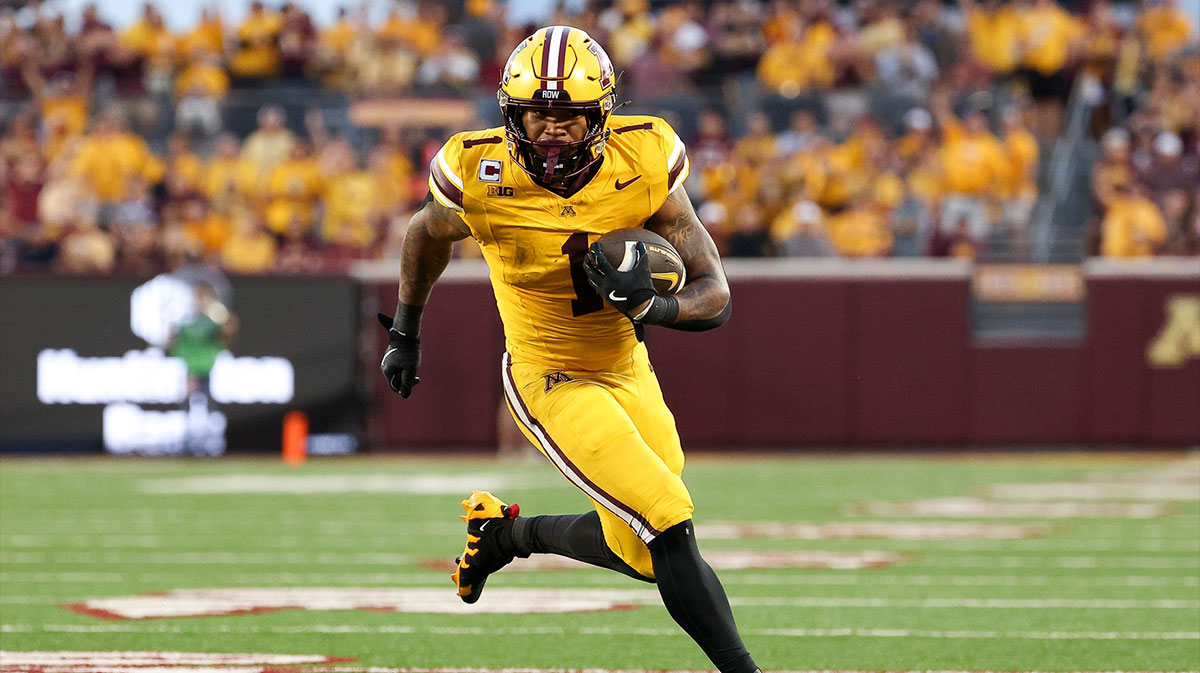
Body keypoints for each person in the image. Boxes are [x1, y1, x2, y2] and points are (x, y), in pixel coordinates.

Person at [379, 26, 759, 673]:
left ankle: (504, 533)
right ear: (512, 114)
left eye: (569, 118)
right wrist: (406, 330)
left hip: (626, 367)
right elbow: (425, 235)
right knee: (666, 518)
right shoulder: (479, 169)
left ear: (601, 116)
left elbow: (714, 294)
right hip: (549, 375)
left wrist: (653, 307)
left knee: (642, 549)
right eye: (538, 115)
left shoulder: (644, 158)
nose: (552, 132)